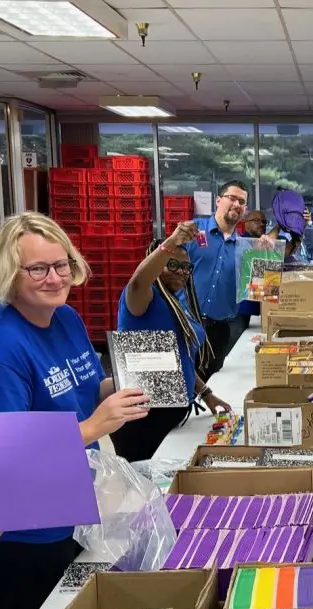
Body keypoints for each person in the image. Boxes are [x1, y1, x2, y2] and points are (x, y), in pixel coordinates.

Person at [0, 212, 149, 609]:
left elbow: (85, 390)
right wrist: (91, 427)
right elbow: (0, 457)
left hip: (67, 516)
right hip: (15, 540)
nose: (55, 278)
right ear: (8, 273)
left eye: (61, 265)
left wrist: (128, 386)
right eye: (37, 269)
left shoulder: (65, 319)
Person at [110, 226, 232, 463]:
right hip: (143, 418)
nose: (181, 272)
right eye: (172, 265)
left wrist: (206, 394)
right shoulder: (142, 298)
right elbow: (137, 281)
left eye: (186, 267)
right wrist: (172, 241)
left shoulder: (176, 301)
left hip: (172, 412)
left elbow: (180, 358)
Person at [187, 179, 249, 379]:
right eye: (232, 198)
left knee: (211, 387)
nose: (237, 205)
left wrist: (266, 253)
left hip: (219, 332)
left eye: (242, 202)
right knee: (181, 389)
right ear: (218, 200)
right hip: (186, 326)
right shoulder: (192, 232)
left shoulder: (246, 248)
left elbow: (262, 287)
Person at [236, 210, 267, 335]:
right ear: (246, 224)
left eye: (264, 221)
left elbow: (285, 250)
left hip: (263, 306)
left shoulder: (267, 242)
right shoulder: (241, 241)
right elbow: (254, 252)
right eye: (256, 220)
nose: (261, 224)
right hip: (242, 310)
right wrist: (278, 226)